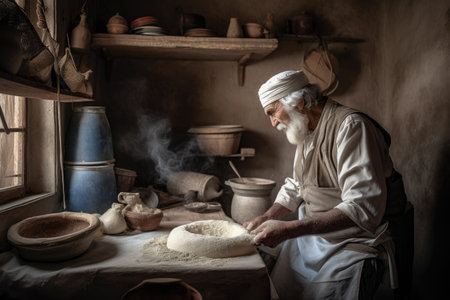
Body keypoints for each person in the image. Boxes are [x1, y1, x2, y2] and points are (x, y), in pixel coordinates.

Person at [244, 70, 406, 300]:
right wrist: (266, 217)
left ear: (298, 103)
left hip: (353, 243)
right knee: (277, 286)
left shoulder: (351, 127)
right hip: (314, 238)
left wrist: (290, 229)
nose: (272, 122)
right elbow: (297, 184)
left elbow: (363, 207)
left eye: (273, 112)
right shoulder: (306, 129)